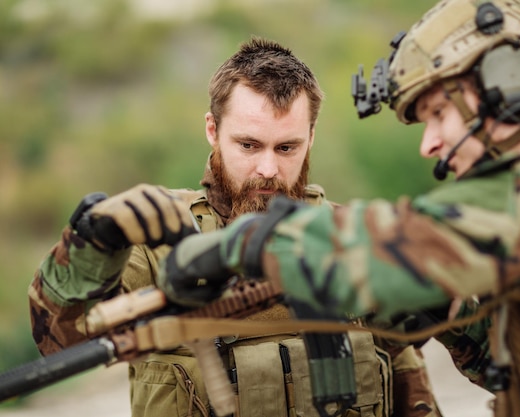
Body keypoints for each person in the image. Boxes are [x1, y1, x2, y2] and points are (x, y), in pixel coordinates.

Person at [155, 1, 520, 417]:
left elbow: (411, 237)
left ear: (506, 87)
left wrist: (250, 242)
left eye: (439, 114)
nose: (429, 143)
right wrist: (449, 312)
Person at [27, 37, 442, 417]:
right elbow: (61, 342)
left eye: (286, 147)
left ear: (311, 137)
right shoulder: (162, 243)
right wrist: (92, 247)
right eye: (248, 145)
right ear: (213, 130)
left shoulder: (348, 237)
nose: (268, 169)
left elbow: (410, 383)